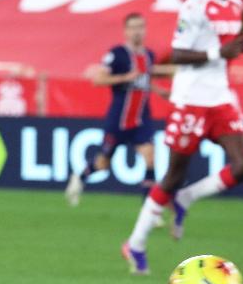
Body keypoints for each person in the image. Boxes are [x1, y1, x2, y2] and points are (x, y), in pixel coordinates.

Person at [122, 0, 243, 274]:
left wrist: (239, 46)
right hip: (191, 99)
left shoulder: (235, 5)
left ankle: (187, 198)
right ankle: (135, 244)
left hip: (220, 98)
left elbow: (226, 48)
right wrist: (217, 51)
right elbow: (177, 54)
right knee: (172, 175)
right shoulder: (194, 6)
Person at [65, 13, 171, 207]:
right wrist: (124, 78)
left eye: (140, 27)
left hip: (141, 118)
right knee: (103, 164)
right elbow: (98, 80)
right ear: (126, 31)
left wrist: (159, 91)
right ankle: (79, 178)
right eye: (133, 27)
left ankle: (149, 210)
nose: (137, 31)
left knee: (150, 157)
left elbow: (144, 81)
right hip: (119, 119)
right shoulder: (116, 54)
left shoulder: (149, 55)